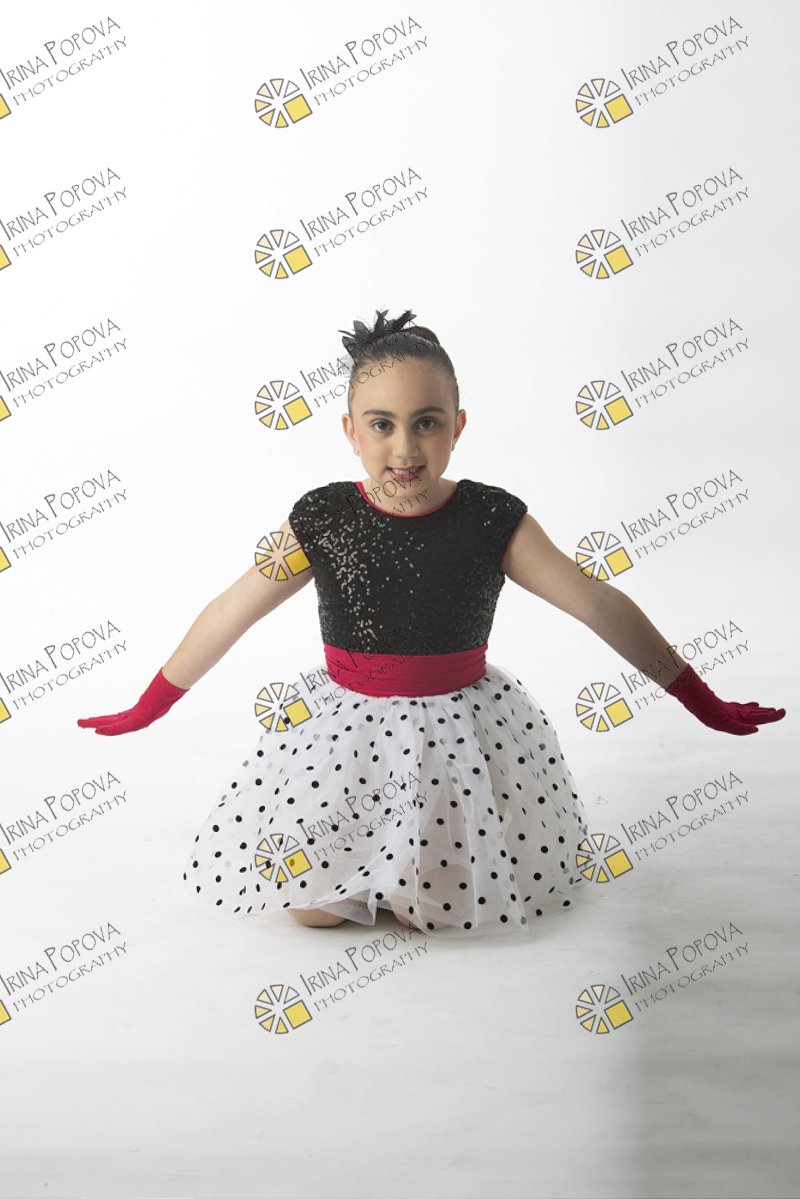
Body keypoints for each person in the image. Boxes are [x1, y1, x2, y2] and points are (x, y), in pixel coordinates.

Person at [76, 308, 786, 938]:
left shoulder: (491, 517)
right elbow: (230, 610)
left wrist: (699, 697)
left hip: (456, 735)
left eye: (427, 423)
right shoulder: (322, 516)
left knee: (436, 907)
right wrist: (151, 703)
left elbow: (596, 602)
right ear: (350, 431)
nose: (405, 449)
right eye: (381, 425)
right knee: (311, 909)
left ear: (458, 426)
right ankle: (368, 861)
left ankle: (415, 867)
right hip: (347, 738)